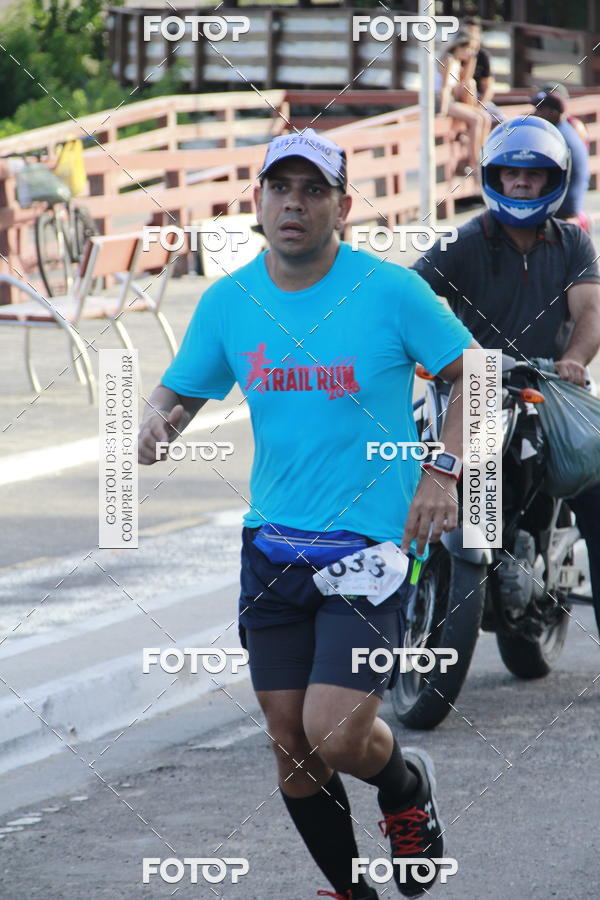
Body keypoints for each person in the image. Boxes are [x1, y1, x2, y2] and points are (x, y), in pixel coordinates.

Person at [138, 128, 478, 899]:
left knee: (335, 731)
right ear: (258, 201)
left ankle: (404, 786)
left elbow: (476, 377)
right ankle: (352, 891)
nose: (294, 203)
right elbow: (180, 388)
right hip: (272, 547)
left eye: (313, 190)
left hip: (370, 548)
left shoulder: (390, 292)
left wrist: (442, 472)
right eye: (280, 188)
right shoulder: (229, 301)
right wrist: (156, 420)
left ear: (343, 207)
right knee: (290, 742)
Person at [412, 116, 600, 636]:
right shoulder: (463, 241)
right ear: (493, 177)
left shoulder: (573, 243)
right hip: (472, 388)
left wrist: (575, 359)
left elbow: (590, 310)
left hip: (547, 388)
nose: (520, 183)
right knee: (396, 473)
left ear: (552, 180)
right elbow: (410, 297)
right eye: (511, 173)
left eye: (533, 174)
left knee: (596, 492)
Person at [530, 89, 590, 230]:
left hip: (563, 206)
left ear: (553, 113)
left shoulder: (556, 137)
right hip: (572, 201)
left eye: (539, 110)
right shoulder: (566, 129)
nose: (534, 114)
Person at [436, 31, 491, 178]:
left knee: (485, 117)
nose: (471, 53)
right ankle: (474, 164)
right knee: (476, 119)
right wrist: (442, 110)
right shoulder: (448, 60)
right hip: (443, 101)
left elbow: (465, 83)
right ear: (459, 47)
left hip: (451, 101)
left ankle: (482, 156)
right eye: (469, 49)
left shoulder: (457, 62)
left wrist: (471, 62)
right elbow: (444, 88)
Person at [462, 15, 505, 124]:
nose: (471, 36)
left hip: (479, 98)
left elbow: (488, 87)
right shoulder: (458, 55)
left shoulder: (483, 56)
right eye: (468, 32)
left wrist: (480, 105)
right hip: (462, 98)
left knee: (500, 119)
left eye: (474, 32)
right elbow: (462, 83)